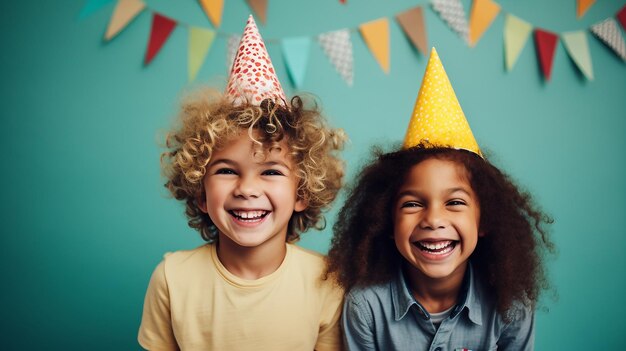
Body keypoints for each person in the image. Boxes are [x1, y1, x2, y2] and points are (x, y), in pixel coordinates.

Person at [138, 16, 347, 351]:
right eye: (226, 171)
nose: (247, 189)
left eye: (271, 172)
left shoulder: (327, 282)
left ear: (303, 191)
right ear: (200, 193)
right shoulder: (172, 278)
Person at [325, 48, 554, 350]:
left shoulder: (511, 305)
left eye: (455, 202)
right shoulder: (366, 306)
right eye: (412, 203)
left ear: (483, 219)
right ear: (387, 221)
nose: (433, 220)